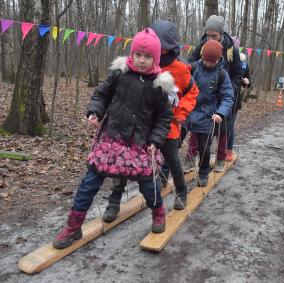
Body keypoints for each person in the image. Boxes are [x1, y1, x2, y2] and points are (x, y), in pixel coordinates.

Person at [52, 29, 174, 249]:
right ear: (132, 54)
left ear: (155, 58)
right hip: (111, 137)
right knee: (89, 182)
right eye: (138, 54)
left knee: (149, 184)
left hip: (141, 144)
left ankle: (158, 213)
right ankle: (73, 227)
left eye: (147, 56)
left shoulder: (159, 85)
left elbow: (165, 117)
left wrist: (156, 140)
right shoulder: (119, 73)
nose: (142, 60)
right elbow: (101, 94)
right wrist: (95, 112)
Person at [102, 20, 199, 223]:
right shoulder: (139, 65)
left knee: (172, 160)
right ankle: (114, 201)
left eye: (165, 50)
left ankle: (181, 192)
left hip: (168, 125)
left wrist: (181, 113)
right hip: (140, 126)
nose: (160, 53)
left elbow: (192, 91)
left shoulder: (180, 69)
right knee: (123, 162)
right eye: (158, 48)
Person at [185, 15, 242, 172]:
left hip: (224, 94)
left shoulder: (232, 50)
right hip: (203, 95)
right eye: (208, 34)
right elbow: (190, 65)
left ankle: (220, 158)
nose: (211, 38)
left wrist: (229, 88)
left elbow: (237, 74)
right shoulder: (202, 46)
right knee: (197, 128)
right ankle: (190, 158)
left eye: (214, 35)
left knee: (222, 130)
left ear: (221, 34)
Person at [183, 40, 234, 186]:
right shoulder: (193, 68)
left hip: (208, 116)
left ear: (218, 59)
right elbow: (181, 86)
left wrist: (220, 113)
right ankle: (167, 171)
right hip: (188, 111)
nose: (209, 64)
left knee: (204, 147)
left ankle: (204, 171)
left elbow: (228, 97)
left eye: (213, 61)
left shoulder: (222, 74)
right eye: (206, 60)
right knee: (174, 141)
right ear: (202, 56)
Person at [225, 52, 251, 161]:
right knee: (219, 128)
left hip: (234, 100)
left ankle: (228, 151)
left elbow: (248, 80)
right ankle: (220, 151)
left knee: (229, 126)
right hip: (218, 98)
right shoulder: (223, 60)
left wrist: (247, 82)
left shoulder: (242, 63)